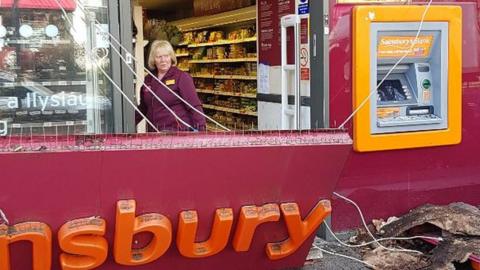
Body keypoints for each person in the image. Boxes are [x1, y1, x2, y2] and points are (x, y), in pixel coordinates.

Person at [136, 40, 206, 131]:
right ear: (153, 59)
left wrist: (202, 132)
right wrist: (126, 125)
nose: (163, 60)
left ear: (171, 57)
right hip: (154, 133)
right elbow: (143, 108)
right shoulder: (149, 79)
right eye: (159, 57)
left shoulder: (181, 77)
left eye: (166, 56)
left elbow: (194, 106)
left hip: (177, 134)